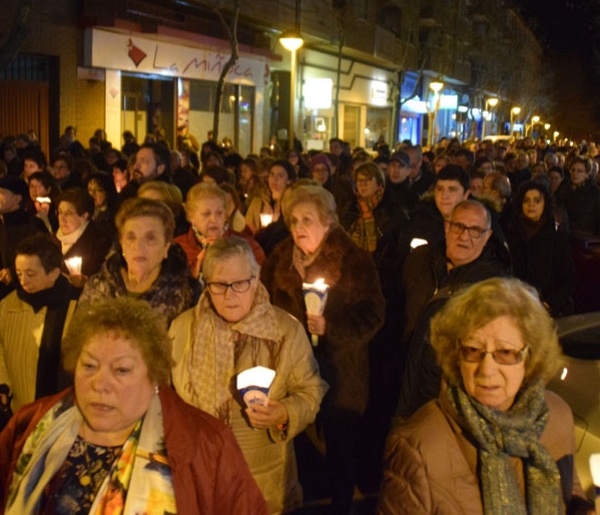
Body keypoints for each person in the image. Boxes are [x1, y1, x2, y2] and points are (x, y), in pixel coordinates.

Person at [0, 297, 268, 514]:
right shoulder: (31, 423)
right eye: (89, 366)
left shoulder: (207, 445)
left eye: (121, 370)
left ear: (153, 377)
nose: (99, 384)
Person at [378, 278, 594, 515]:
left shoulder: (556, 415)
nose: (487, 369)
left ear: (530, 358)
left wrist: (584, 510)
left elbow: (569, 494)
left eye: (505, 352)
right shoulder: (417, 447)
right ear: (455, 355)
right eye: (472, 350)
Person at [170, 236, 327, 514]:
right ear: (206, 285)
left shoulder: (284, 331)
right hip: (201, 477)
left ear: (256, 280)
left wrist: (286, 413)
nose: (230, 295)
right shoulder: (183, 330)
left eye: (240, 283)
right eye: (219, 285)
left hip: (262, 482)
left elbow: (311, 391)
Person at [262, 183, 384, 515]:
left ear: (327, 222)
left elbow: (374, 313)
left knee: (340, 452)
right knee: (299, 451)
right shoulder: (279, 259)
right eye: (294, 221)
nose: (299, 228)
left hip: (341, 374)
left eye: (307, 220)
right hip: (293, 374)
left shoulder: (353, 259)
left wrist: (331, 327)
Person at [397, 200, 511, 419]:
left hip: (440, 404)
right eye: (458, 226)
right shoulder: (420, 261)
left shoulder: (492, 289)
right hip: (400, 383)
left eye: (476, 230)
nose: (464, 236)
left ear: (487, 237)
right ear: (447, 227)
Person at [79, 197, 200, 324]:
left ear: (166, 246)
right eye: (131, 237)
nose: (138, 246)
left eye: (150, 238)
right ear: (121, 243)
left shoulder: (186, 293)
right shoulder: (99, 285)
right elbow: (78, 337)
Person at [0, 235, 78, 422]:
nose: (23, 281)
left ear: (53, 273)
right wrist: (2, 384)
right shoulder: (8, 306)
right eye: (18, 273)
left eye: (31, 273)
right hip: (19, 411)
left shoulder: (76, 305)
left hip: (63, 415)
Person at [506, 180, 576, 317]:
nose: (531, 204)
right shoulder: (511, 234)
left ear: (545, 204)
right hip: (516, 305)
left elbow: (568, 279)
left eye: (537, 200)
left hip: (549, 307)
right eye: (526, 200)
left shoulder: (557, 237)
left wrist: (548, 303)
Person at [174, 183, 265, 279]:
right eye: (206, 214)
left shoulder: (247, 246)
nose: (213, 220)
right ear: (191, 216)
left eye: (219, 213)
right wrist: (195, 271)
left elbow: (262, 286)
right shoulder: (178, 248)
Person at [55, 188, 113, 280]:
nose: (62, 218)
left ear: (84, 216)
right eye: (60, 212)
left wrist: (84, 282)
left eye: (68, 213)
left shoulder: (99, 243)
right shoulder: (52, 241)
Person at [245, 160, 297, 232]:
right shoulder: (257, 203)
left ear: (289, 180)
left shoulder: (292, 204)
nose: (274, 179)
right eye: (272, 174)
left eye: (280, 176)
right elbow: (246, 229)